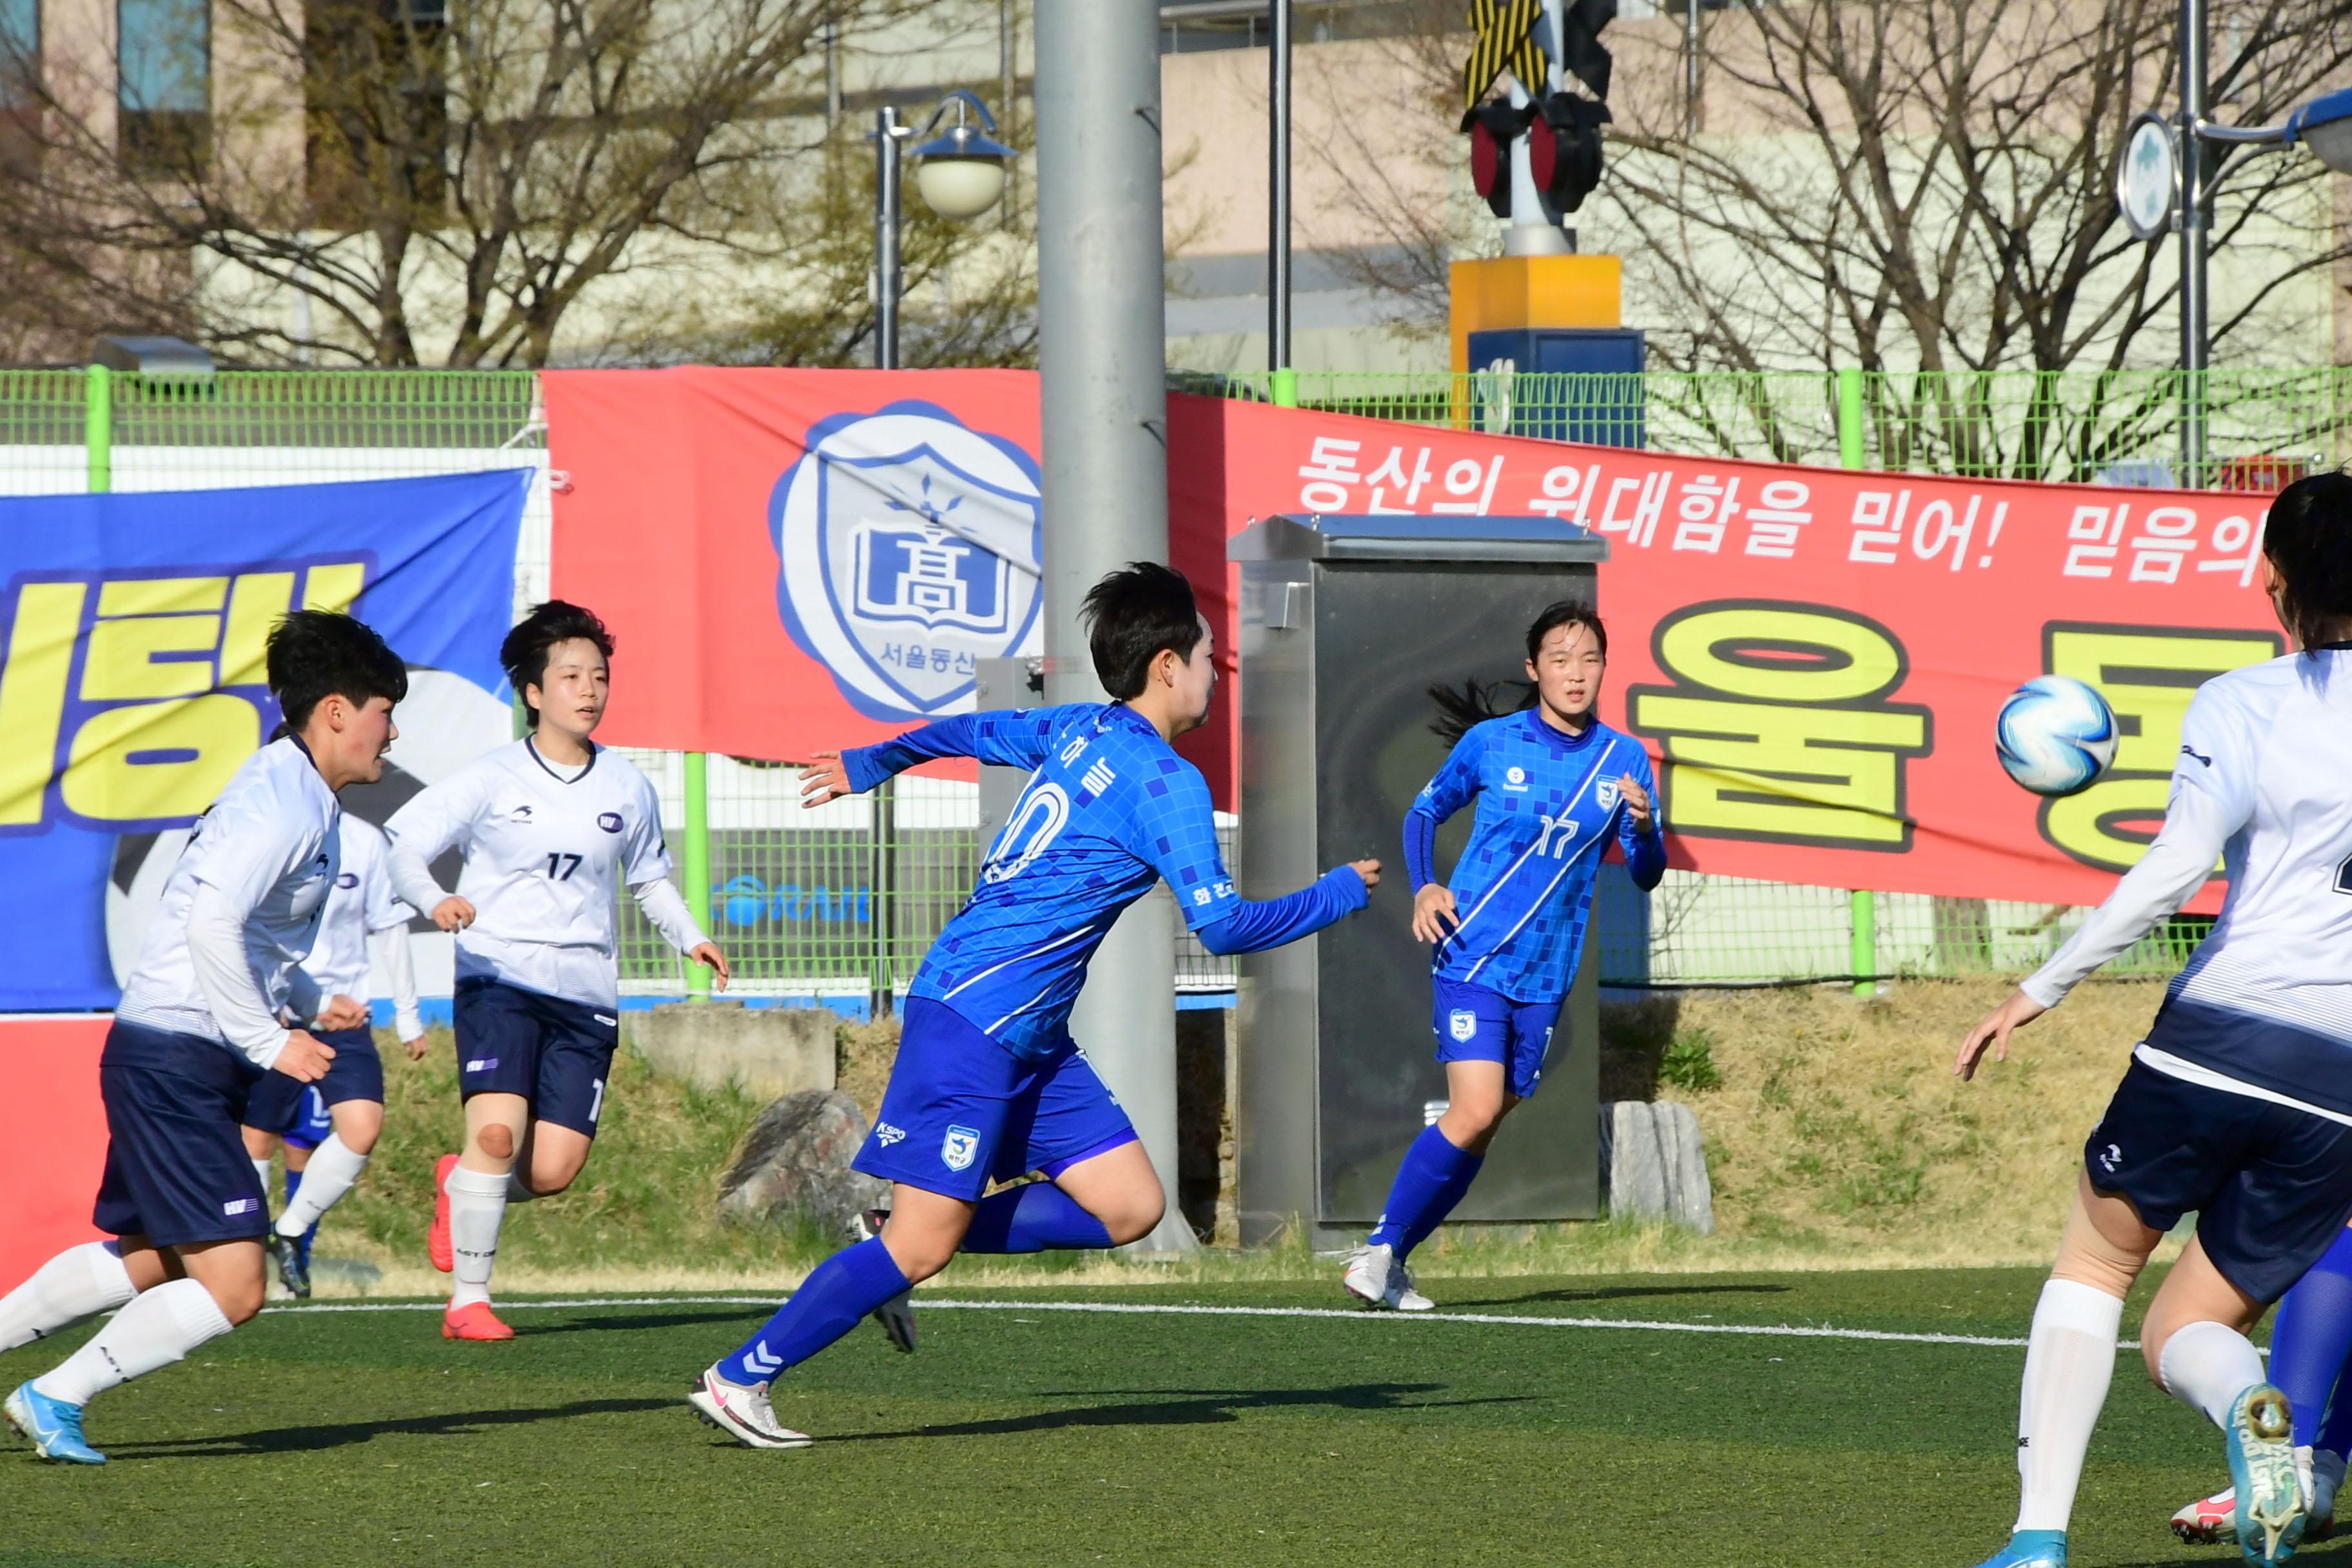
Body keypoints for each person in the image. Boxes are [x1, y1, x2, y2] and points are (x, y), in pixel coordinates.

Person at [687, 562, 1379, 1449]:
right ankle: (742, 1377)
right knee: (921, 1250)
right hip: (976, 1018)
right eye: (1210, 654)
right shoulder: (1167, 782)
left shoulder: (1080, 729)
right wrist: (1331, 897)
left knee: (1129, 1207)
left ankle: (893, 1231)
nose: (1218, 670)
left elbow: (971, 728)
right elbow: (1224, 927)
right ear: (1168, 666)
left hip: (1031, 1035)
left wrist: (873, 760)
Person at [1957, 470, 2352, 1568]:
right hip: (2339, 1089)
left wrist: (2037, 987)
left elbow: (2172, 867)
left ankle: (2036, 1539)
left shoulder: (2246, 698)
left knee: (2092, 1266)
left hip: (2221, 1037)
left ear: (2271, 580)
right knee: (2183, 1329)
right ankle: (2256, 1420)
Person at [1, 611, 406, 1464]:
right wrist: (270, 1041)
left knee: (151, 1256)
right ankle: (52, 1396)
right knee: (234, 1280)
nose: (392, 730)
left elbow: (247, 935)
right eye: (383, 710)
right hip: (177, 1057)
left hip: (176, 1053)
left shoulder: (301, 797)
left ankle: (40, 1384)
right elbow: (212, 922)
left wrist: (306, 996)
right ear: (336, 711)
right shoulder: (284, 802)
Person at [385, 601, 728, 1342]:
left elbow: (650, 881)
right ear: (533, 692)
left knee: (552, 1171)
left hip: (586, 993)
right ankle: (468, 1300)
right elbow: (404, 845)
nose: (589, 689)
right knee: (499, 1134)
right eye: (570, 675)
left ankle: (461, 1181)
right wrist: (435, 898)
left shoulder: (628, 787)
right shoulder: (491, 776)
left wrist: (691, 937)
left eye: (599, 676)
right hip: (497, 976)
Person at [1343, 603, 1665, 1312]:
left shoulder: (1624, 760)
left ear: (1604, 668)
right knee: (1476, 1105)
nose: (1575, 673)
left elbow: (1646, 872)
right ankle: (1380, 1250)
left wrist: (1643, 828)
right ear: (1533, 669)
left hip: (1548, 973)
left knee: (1487, 1118)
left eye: (1588, 659)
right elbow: (1424, 810)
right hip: (1475, 953)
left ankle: (1390, 1258)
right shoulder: (1492, 743)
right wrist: (1426, 882)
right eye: (1559, 658)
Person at [240, 813, 427, 1298]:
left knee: (360, 1128)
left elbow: (391, 927)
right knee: (258, 1134)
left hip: (342, 1018)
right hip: (274, 1017)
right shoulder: (267, 830)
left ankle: (291, 1231)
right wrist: (268, 1001)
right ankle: (247, 1260)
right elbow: (239, 925)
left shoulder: (365, 841)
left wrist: (408, 1017)